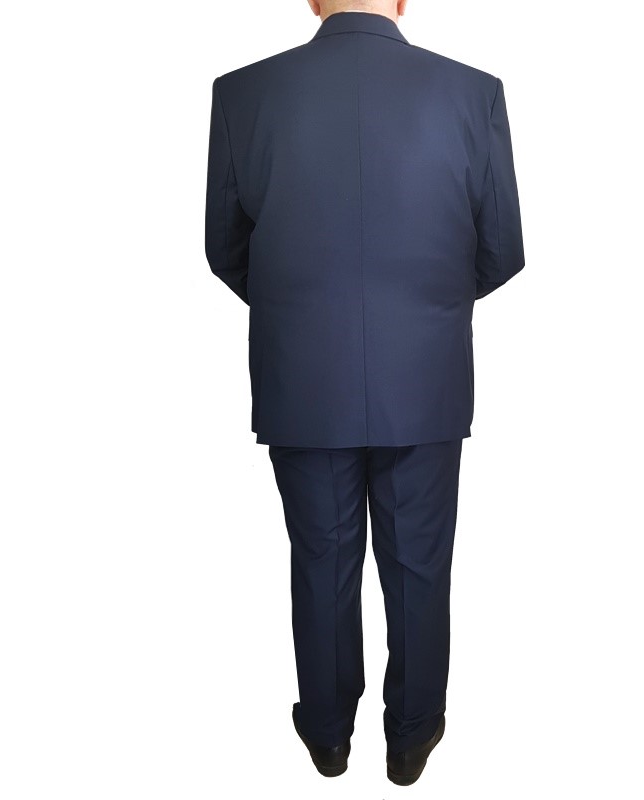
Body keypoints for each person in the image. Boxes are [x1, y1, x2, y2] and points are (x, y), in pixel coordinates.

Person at [204, 0, 525, 785]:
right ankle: (412, 735)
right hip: (425, 375)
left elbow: (225, 247)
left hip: (303, 375)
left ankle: (326, 733)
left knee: (321, 557)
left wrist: (300, 310)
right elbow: (502, 249)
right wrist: (425, 309)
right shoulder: (471, 93)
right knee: (419, 563)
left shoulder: (244, 93)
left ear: (313, 0)